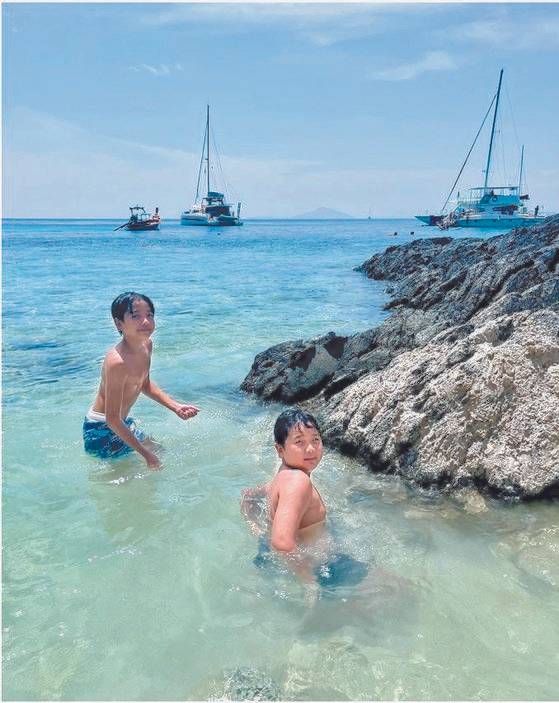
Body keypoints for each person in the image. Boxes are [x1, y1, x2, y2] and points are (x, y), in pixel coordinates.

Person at [241, 408, 367, 595]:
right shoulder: (297, 481)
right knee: (403, 591)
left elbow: (247, 496)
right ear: (280, 449)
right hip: (322, 570)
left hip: (299, 564)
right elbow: (282, 542)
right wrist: (310, 582)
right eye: (299, 442)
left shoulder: (281, 477)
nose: (311, 448)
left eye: (315, 439)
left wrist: (257, 529)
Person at [83, 292, 199, 469]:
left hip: (120, 424)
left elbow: (144, 383)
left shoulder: (147, 345)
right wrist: (145, 455)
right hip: (101, 429)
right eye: (136, 316)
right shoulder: (117, 363)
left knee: (160, 453)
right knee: (126, 478)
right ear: (118, 323)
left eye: (150, 315)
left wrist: (175, 406)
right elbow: (112, 419)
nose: (145, 321)